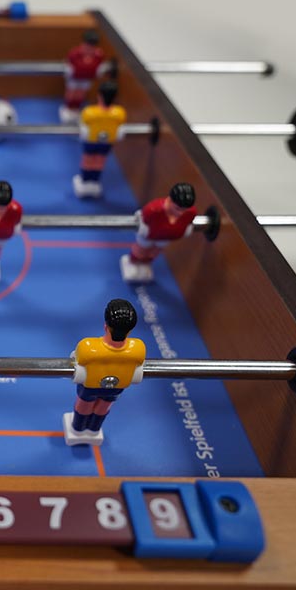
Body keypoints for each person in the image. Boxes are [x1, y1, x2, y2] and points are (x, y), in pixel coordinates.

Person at [63, 299, 146, 446]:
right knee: (104, 406)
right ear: (130, 330)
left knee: (85, 405)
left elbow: (77, 360)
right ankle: (93, 430)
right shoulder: (138, 348)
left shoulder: (88, 347)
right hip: (117, 386)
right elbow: (139, 363)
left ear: (105, 326)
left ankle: (78, 429)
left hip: (90, 386)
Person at [121, 183, 198, 282]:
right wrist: (144, 230)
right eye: (177, 209)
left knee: (154, 252)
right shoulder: (153, 210)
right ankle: (132, 263)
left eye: (184, 210)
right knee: (141, 250)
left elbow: (188, 224)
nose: (180, 213)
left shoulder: (191, 213)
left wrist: (184, 230)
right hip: (149, 236)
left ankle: (145, 264)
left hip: (166, 238)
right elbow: (142, 221)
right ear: (170, 200)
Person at [74, 81, 126, 198]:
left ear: (100, 95)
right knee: (100, 160)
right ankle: (94, 181)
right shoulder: (120, 112)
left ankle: (85, 181)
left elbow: (82, 125)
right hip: (107, 142)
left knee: (88, 160)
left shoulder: (89, 112)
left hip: (91, 141)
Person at [61, 30, 109, 123]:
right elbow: (68, 64)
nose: (89, 49)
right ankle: (68, 109)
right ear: (83, 44)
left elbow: (100, 66)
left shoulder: (98, 54)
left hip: (86, 78)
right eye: (87, 46)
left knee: (81, 93)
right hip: (74, 78)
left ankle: (76, 110)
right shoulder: (75, 53)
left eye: (92, 47)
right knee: (71, 93)